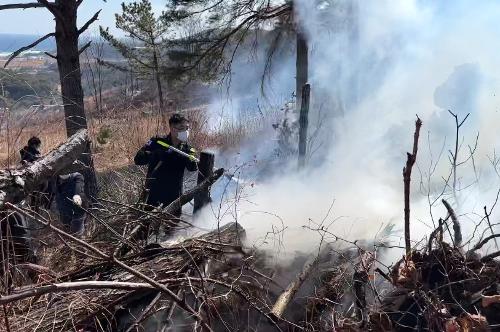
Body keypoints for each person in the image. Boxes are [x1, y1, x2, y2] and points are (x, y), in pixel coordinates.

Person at [134, 113, 198, 216]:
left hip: (174, 197)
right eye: (182, 128)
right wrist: (155, 154)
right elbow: (138, 159)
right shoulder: (157, 141)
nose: (186, 131)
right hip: (153, 194)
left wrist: (192, 160)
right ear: (172, 128)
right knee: (145, 227)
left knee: (173, 230)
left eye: (187, 128)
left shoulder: (189, 149)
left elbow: (192, 168)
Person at [52, 172, 87, 237]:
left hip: (77, 210)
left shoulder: (77, 177)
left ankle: (80, 244)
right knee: (66, 232)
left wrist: (77, 195)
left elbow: (79, 184)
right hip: (64, 211)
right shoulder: (55, 178)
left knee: (77, 234)